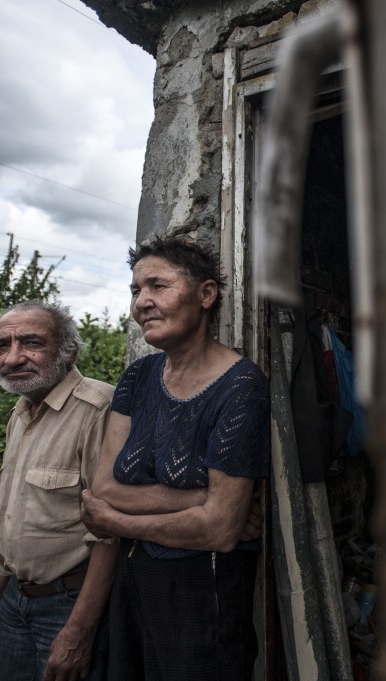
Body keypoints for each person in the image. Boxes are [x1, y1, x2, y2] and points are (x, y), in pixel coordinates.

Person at [80, 234, 270, 681]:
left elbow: (221, 531)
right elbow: (104, 487)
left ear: (206, 294)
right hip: (134, 585)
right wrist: (201, 500)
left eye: (157, 286)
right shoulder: (138, 377)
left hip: (204, 596)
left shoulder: (241, 387)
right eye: (135, 291)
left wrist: (118, 522)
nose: (141, 302)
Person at [0, 300, 116, 681]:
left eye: (31, 343)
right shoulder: (20, 413)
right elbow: (10, 520)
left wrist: (78, 632)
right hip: (13, 602)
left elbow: (110, 534)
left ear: (68, 351)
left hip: (67, 605)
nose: (13, 358)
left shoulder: (98, 409)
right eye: (3, 345)